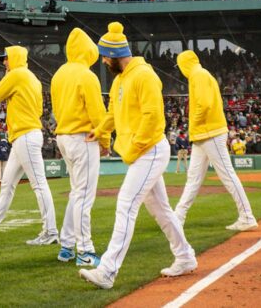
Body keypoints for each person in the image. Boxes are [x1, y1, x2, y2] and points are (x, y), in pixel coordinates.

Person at [80, 22, 196, 290]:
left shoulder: (143, 75)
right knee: (162, 211)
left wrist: (133, 148)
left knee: (126, 205)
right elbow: (112, 113)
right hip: (143, 151)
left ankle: (107, 270)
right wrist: (99, 131)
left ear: (115, 53)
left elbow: (154, 118)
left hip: (150, 150)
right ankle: (185, 256)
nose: (104, 60)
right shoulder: (121, 79)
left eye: (106, 56)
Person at [0, 46, 58, 245]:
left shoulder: (16, 74)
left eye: (6, 59)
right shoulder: (31, 77)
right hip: (25, 135)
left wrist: (7, 75)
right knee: (7, 184)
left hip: (25, 135)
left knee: (39, 184)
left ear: (14, 58)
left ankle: (51, 231)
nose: (4, 63)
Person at [173, 50, 258, 231]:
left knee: (227, 174)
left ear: (184, 63)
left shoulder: (198, 75)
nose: (179, 70)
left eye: (180, 65)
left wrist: (193, 125)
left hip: (210, 132)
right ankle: (178, 216)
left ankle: (247, 217)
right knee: (193, 178)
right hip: (204, 134)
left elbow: (204, 105)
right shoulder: (200, 74)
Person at [51, 28, 107, 267]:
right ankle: (85, 251)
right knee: (84, 195)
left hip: (63, 136)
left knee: (77, 193)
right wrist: (105, 140)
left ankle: (67, 246)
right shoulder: (87, 75)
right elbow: (98, 113)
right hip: (84, 137)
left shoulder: (58, 74)